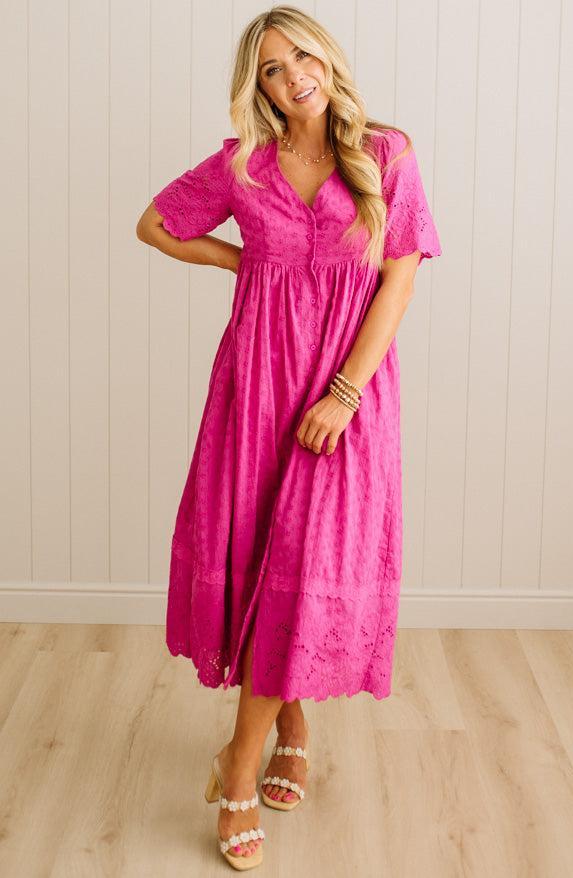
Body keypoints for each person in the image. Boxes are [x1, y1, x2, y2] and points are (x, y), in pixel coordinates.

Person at [136, 5, 441, 870]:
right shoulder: (244, 166)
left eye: (300, 55)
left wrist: (343, 393)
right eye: (270, 68)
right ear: (257, 86)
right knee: (261, 559)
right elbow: (155, 224)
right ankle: (290, 724)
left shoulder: (387, 153)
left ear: (328, 59)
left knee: (310, 565)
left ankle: (236, 761)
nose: (291, 75)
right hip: (255, 388)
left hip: (345, 392)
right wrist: (243, 264)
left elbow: (399, 282)